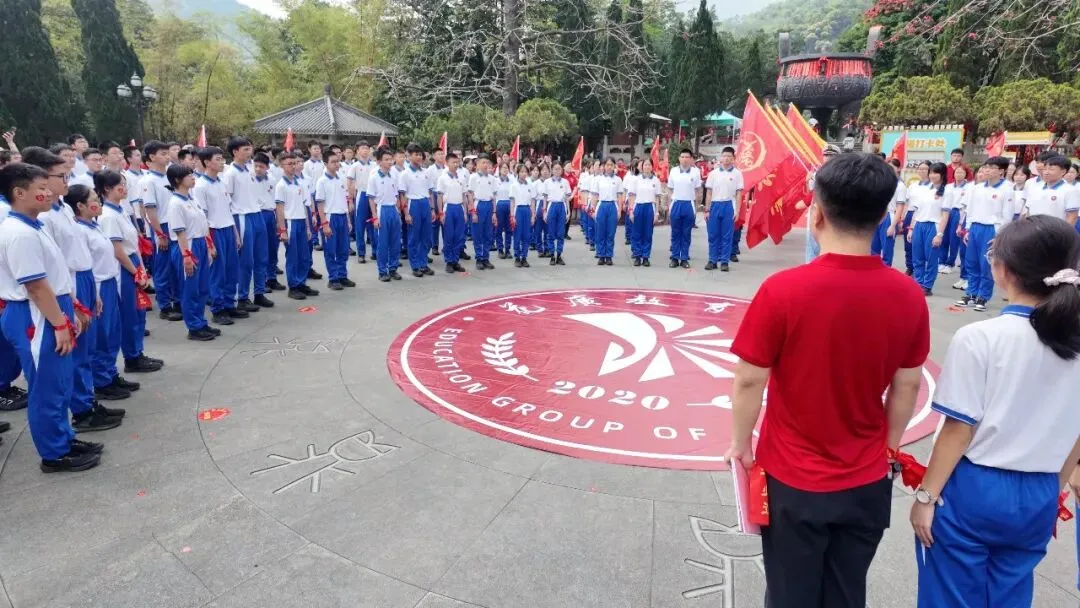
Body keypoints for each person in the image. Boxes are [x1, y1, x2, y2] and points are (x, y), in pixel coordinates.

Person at [726, 153, 929, 608]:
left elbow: (748, 382)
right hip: (866, 480)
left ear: (816, 213)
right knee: (845, 592)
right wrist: (889, 448)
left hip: (793, 480)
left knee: (790, 595)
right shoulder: (909, 295)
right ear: (882, 216)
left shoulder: (783, 291)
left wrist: (741, 444)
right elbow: (906, 386)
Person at [911, 215, 1080, 608]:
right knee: (1011, 592)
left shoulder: (981, 338)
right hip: (1039, 488)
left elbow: (958, 430)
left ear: (1003, 270)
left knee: (951, 593)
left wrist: (926, 496)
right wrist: (1052, 488)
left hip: (977, 487)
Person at [0, 162, 102, 472]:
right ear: (19, 193)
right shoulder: (18, 232)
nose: (48, 193)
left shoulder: (34, 225)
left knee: (58, 383)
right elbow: (35, 285)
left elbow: (52, 276)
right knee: (47, 388)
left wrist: (70, 307)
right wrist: (60, 323)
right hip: (36, 315)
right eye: (40, 189)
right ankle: (54, 453)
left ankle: (64, 437)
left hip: (48, 309)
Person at [70, 183, 141, 415]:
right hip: (98, 285)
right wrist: (96, 293)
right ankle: (102, 381)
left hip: (109, 282)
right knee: (100, 336)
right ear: (79, 205)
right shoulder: (79, 230)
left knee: (112, 333)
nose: (98, 203)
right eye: (93, 199)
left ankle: (110, 374)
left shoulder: (94, 225)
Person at [94, 170, 162, 375]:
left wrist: (140, 268)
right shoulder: (108, 216)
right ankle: (131, 357)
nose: (124, 188)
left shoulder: (120, 210)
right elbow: (116, 250)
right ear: (107, 189)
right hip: (123, 268)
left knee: (138, 312)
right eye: (119, 185)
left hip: (133, 261)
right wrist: (135, 272)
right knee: (129, 314)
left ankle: (137, 352)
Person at [191, 146, 242, 326]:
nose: (222, 162)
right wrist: (209, 242)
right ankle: (218, 309)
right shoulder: (200, 186)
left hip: (228, 228)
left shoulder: (221, 182)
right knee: (217, 272)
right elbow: (202, 217)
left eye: (222, 159)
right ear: (207, 162)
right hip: (213, 230)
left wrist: (235, 233)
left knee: (231, 270)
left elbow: (228, 209)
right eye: (218, 159)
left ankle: (229, 304)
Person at [165, 165, 217, 341]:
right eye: (188, 175)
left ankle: (201, 321)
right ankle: (193, 327)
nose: (193, 177)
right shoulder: (175, 203)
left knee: (203, 287)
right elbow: (180, 233)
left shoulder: (191, 199)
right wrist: (186, 256)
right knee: (190, 289)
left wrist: (209, 246)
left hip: (200, 243)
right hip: (187, 246)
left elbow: (203, 225)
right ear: (178, 180)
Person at [956, 157, 1012, 312]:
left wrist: (1000, 236)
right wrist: (967, 229)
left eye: (991, 167)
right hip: (975, 228)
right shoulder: (977, 188)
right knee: (971, 262)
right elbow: (970, 210)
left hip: (991, 229)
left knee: (986, 264)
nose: (986, 170)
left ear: (1001, 171)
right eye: (985, 167)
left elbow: (1007, 215)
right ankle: (971, 293)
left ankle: (983, 296)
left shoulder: (1007, 189)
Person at [223, 137, 273, 312]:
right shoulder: (230, 174)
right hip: (242, 217)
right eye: (245, 149)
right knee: (246, 260)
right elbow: (227, 201)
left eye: (250, 148)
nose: (249, 151)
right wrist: (234, 229)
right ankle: (242, 297)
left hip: (257, 214)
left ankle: (259, 292)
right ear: (235, 151)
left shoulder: (249, 171)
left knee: (262, 257)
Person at [137, 141, 182, 321]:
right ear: (151, 157)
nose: (166, 156)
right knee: (162, 268)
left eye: (166, 153)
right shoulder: (148, 180)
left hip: (175, 223)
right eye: (162, 153)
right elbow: (149, 210)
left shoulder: (171, 176)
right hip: (161, 226)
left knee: (177, 265)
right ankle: (164, 305)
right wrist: (159, 233)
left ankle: (178, 301)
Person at [275, 153, 319, 300]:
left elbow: (304, 205)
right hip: (291, 223)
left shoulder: (299, 183)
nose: (293, 166)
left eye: (294, 163)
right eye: (289, 164)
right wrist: (282, 230)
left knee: (304, 255)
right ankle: (293, 286)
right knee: (293, 256)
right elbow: (280, 209)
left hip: (301, 221)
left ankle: (301, 283)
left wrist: (307, 227)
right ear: (282, 165)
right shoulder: (281, 185)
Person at [908, 162, 950, 296]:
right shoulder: (925, 189)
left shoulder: (947, 191)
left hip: (933, 225)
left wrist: (939, 234)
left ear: (942, 174)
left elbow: (945, 215)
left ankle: (927, 285)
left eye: (935, 173)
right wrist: (911, 228)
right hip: (919, 224)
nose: (932, 175)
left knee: (931, 258)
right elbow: (917, 210)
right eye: (931, 172)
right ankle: (918, 282)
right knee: (917, 256)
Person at [315, 149, 354, 290]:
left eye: (338, 161)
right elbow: (320, 204)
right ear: (325, 163)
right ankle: (333, 278)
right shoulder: (322, 181)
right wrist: (324, 224)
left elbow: (344, 200)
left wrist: (348, 220)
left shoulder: (341, 178)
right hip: (330, 217)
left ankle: (342, 275)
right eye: (333, 162)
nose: (337, 164)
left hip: (342, 217)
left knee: (343, 249)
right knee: (331, 250)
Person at [397, 143, 435, 279]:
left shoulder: (425, 172)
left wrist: (432, 209)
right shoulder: (404, 174)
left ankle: (423, 263)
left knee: (426, 236)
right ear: (409, 156)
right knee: (414, 236)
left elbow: (430, 192)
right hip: (413, 204)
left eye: (420, 154)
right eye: (415, 154)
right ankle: (415, 265)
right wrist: (406, 213)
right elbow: (402, 195)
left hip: (425, 203)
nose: (418, 157)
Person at [704, 146, 744, 272]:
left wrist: (737, 211)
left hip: (729, 205)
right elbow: (709, 193)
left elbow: (739, 194)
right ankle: (712, 260)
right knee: (713, 235)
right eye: (724, 156)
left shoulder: (737, 174)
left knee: (727, 236)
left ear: (733, 159)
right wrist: (707, 209)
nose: (726, 158)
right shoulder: (713, 174)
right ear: (721, 157)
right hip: (715, 205)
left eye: (729, 156)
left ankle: (724, 261)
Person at [369, 149, 404, 282]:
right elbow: (371, 199)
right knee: (383, 244)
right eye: (386, 160)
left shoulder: (394, 176)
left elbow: (396, 196)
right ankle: (382, 271)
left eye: (391, 159)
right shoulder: (374, 177)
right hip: (381, 210)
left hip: (393, 210)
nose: (390, 162)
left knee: (395, 242)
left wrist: (398, 213)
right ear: (379, 162)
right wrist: (374, 217)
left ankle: (393, 268)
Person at [253, 153, 284, 292]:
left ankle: (272, 278)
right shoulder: (250, 179)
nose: (258, 169)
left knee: (273, 247)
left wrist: (279, 221)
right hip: (257, 215)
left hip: (270, 214)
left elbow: (277, 202)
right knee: (260, 250)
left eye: (261, 166)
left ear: (267, 167)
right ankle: (262, 280)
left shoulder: (272, 179)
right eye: (256, 166)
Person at [667, 150, 701, 269]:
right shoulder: (674, 171)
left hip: (689, 204)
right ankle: (675, 257)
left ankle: (684, 258)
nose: (685, 159)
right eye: (682, 157)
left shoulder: (696, 172)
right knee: (675, 233)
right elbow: (670, 190)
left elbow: (698, 191)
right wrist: (668, 206)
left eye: (687, 157)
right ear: (679, 158)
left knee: (686, 233)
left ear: (691, 159)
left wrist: (696, 208)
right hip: (676, 203)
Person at [1023, 155, 1080, 225]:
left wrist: (1063, 235)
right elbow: (1028, 212)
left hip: (1055, 232)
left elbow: (1072, 217)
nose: (1046, 172)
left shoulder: (1070, 191)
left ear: (1063, 171)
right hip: (1034, 231)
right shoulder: (1035, 188)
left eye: (1051, 169)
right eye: (1045, 169)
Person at [436, 153, 469, 274]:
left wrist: (465, 212)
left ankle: (455, 260)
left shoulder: (462, 177)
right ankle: (449, 261)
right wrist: (440, 213)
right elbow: (439, 196)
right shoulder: (443, 178)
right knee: (449, 236)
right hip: (448, 208)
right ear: (447, 163)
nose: (456, 164)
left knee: (459, 236)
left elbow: (464, 196)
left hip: (459, 207)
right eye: (453, 162)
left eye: (457, 162)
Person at [628, 158, 661, 267]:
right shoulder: (636, 180)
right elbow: (632, 196)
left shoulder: (656, 181)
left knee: (648, 233)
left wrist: (656, 213)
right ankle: (637, 256)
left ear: (652, 166)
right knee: (637, 233)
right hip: (638, 206)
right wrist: (631, 211)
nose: (647, 167)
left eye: (649, 165)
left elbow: (657, 198)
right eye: (645, 165)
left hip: (649, 207)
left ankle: (646, 256)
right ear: (641, 167)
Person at [467, 154, 498, 270]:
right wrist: (473, 211)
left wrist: (494, 212)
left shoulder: (492, 179)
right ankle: (479, 258)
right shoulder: (473, 177)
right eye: (483, 162)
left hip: (489, 206)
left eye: (487, 163)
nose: (485, 165)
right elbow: (470, 194)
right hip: (478, 205)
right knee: (477, 233)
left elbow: (494, 196)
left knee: (488, 234)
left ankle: (486, 257)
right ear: (477, 164)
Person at [348, 141, 376, 264]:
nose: (365, 150)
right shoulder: (354, 166)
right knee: (360, 226)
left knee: (374, 224)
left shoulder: (375, 165)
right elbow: (349, 183)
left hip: (373, 196)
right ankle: (361, 253)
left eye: (367, 148)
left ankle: (376, 251)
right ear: (357, 151)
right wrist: (350, 201)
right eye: (363, 148)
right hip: (362, 196)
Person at [941, 164, 971, 275]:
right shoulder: (948, 186)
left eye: (962, 172)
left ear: (966, 174)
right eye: (957, 172)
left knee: (954, 239)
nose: (959, 174)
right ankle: (942, 261)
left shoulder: (968, 187)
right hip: (947, 212)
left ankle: (950, 263)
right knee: (944, 237)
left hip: (959, 212)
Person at [593, 158, 623, 266]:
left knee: (610, 232)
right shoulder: (598, 179)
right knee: (601, 232)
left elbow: (620, 196)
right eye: (607, 164)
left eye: (611, 164)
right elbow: (595, 195)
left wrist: (619, 210)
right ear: (604, 166)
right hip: (601, 205)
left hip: (612, 205)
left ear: (614, 166)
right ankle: (601, 255)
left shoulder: (618, 180)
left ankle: (609, 256)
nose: (609, 167)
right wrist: (593, 209)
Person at [544, 163, 571, 266]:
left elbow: (567, 198)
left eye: (559, 169)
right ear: (552, 170)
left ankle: (559, 255)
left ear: (562, 170)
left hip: (561, 207)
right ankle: (552, 255)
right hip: (551, 206)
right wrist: (544, 211)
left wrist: (568, 211)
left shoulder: (565, 182)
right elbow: (545, 198)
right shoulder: (547, 182)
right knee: (550, 233)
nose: (557, 171)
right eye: (555, 169)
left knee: (560, 233)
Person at [510, 164, 536, 267]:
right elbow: (512, 201)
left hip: (527, 210)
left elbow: (533, 201)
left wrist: (533, 215)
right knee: (518, 234)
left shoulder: (530, 185)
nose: (523, 173)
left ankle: (524, 257)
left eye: (525, 171)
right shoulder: (514, 185)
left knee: (527, 235)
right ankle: (517, 257)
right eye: (521, 171)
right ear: (517, 173)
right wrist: (512, 215)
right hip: (518, 210)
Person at [426, 148, 447, 257]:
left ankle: (446, 245)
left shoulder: (447, 169)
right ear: (434, 156)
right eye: (439, 154)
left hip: (445, 196)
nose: (441, 156)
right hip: (434, 194)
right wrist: (431, 206)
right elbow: (428, 188)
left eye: (442, 154)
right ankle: (434, 246)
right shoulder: (430, 170)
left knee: (445, 222)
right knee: (435, 223)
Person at [494, 163, 514, 260]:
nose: (505, 170)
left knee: (509, 229)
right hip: (500, 204)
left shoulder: (512, 180)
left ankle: (507, 249)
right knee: (499, 228)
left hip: (509, 204)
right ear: (499, 169)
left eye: (507, 168)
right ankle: (500, 249)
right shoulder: (496, 180)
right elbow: (493, 196)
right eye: (503, 168)